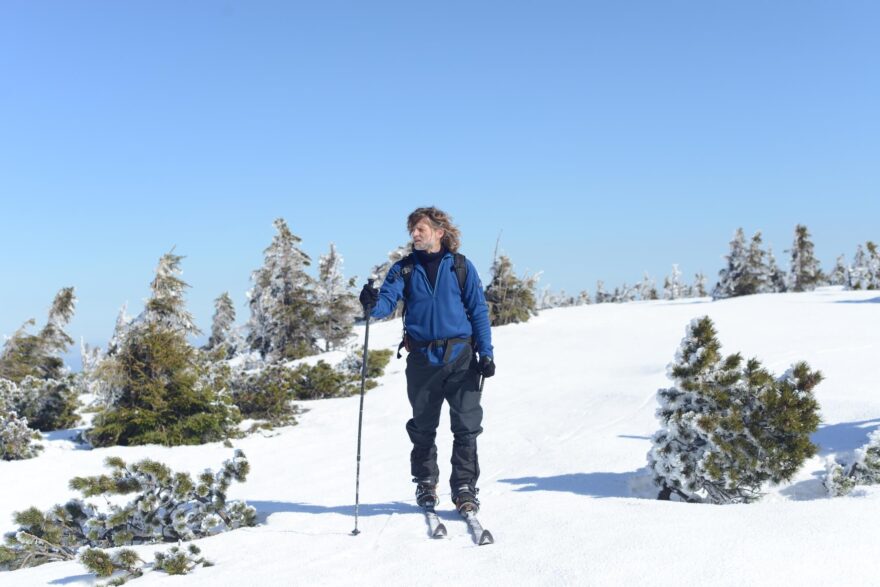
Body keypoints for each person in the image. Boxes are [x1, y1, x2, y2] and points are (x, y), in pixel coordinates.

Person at [360, 206, 495, 514]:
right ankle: (425, 482)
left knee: (466, 425)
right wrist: (371, 304)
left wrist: (486, 353)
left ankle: (463, 487)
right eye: (412, 229)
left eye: (420, 228)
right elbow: (386, 303)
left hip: (461, 356)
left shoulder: (460, 267)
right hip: (422, 357)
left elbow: (478, 311)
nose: (414, 234)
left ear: (439, 232)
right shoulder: (403, 269)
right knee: (423, 426)